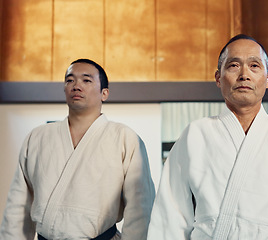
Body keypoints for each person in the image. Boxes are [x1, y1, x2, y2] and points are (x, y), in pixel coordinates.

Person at [148, 34, 268, 239]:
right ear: (218, 78)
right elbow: (170, 218)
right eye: (234, 66)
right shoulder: (195, 135)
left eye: (254, 66)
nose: (244, 75)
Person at [0, 59, 155, 239]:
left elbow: (140, 208)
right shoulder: (37, 138)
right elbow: (17, 208)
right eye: (70, 80)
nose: (76, 85)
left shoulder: (125, 138)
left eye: (86, 80)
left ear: (104, 93)